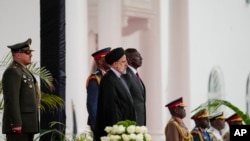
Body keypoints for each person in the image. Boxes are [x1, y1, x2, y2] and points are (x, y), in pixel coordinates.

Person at [2, 38, 40, 141]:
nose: (31, 55)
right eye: (27, 52)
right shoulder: (13, 72)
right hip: (20, 126)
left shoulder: (22, 71)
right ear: (18, 55)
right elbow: (12, 100)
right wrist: (16, 123)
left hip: (27, 125)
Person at [94, 47, 136, 141]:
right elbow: (111, 110)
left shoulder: (120, 78)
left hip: (124, 131)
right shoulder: (109, 80)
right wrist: (118, 134)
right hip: (115, 134)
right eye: (123, 61)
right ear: (115, 64)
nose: (126, 64)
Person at [85, 47, 111, 133]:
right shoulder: (95, 78)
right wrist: (98, 126)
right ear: (100, 61)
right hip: (100, 125)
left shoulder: (108, 76)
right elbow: (92, 105)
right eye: (108, 58)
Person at [124, 48, 146, 126]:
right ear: (129, 60)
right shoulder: (127, 75)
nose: (141, 58)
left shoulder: (134, 75)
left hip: (139, 121)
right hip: (132, 122)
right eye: (138, 56)